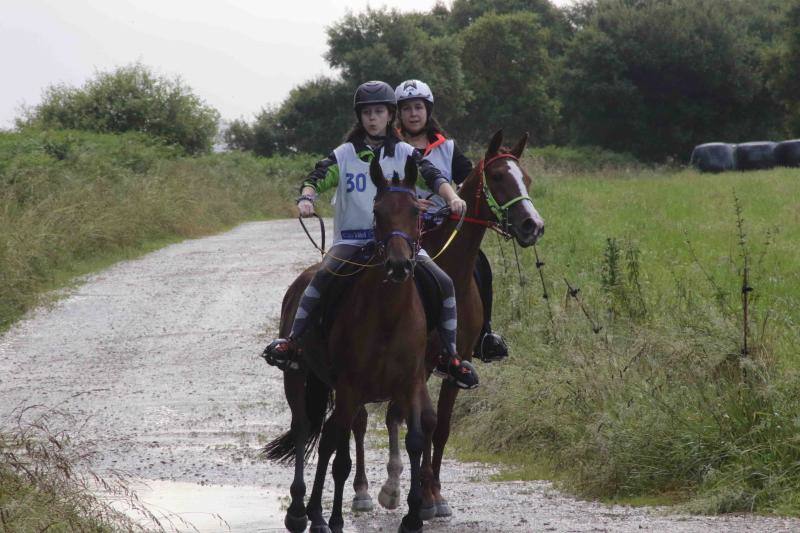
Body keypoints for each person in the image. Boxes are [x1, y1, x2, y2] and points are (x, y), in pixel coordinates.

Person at [262, 80, 478, 390]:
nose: (372, 118)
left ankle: (449, 356)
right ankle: (293, 342)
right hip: (353, 240)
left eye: (378, 112)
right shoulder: (345, 153)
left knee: (443, 283)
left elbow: (434, 175)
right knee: (321, 277)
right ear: (359, 117)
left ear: (390, 116)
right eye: (366, 113)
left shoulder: (405, 152)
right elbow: (318, 176)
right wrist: (307, 197)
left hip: (397, 242)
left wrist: (452, 196)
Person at [395, 79, 509, 363]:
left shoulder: (447, 148)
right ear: (399, 113)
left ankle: (483, 334)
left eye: (418, 107)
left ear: (428, 110)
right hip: (403, 226)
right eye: (407, 108)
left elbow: (468, 179)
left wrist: (458, 195)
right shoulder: (390, 146)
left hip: (444, 226)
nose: (413, 113)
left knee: (479, 264)